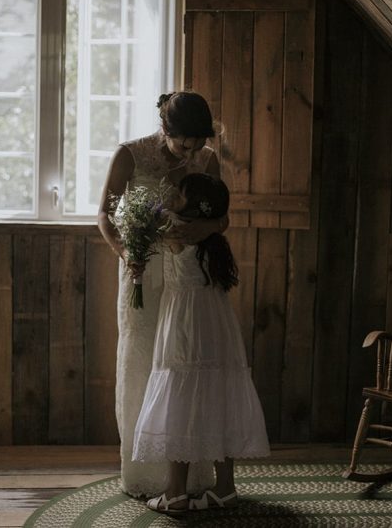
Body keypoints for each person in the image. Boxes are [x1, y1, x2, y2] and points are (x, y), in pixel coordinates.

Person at [97, 92, 227, 498]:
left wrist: (206, 229)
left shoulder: (207, 159)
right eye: (183, 142)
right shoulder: (130, 155)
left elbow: (222, 214)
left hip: (189, 275)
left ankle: (190, 477)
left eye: (198, 142)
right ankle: (145, 474)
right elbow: (104, 212)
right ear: (164, 129)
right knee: (142, 363)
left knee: (186, 368)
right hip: (143, 271)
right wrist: (126, 252)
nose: (191, 151)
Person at [132, 173, 270, 515]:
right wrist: (215, 221)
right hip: (216, 321)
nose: (172, 199)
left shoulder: (177, 231)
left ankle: (175, 492)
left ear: (190, 205)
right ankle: (225, 487)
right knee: (217, 394)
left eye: (178, 195)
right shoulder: (212, 236)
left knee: (181, 396)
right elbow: (218, 218)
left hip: (184, 321)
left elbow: (144, 222)